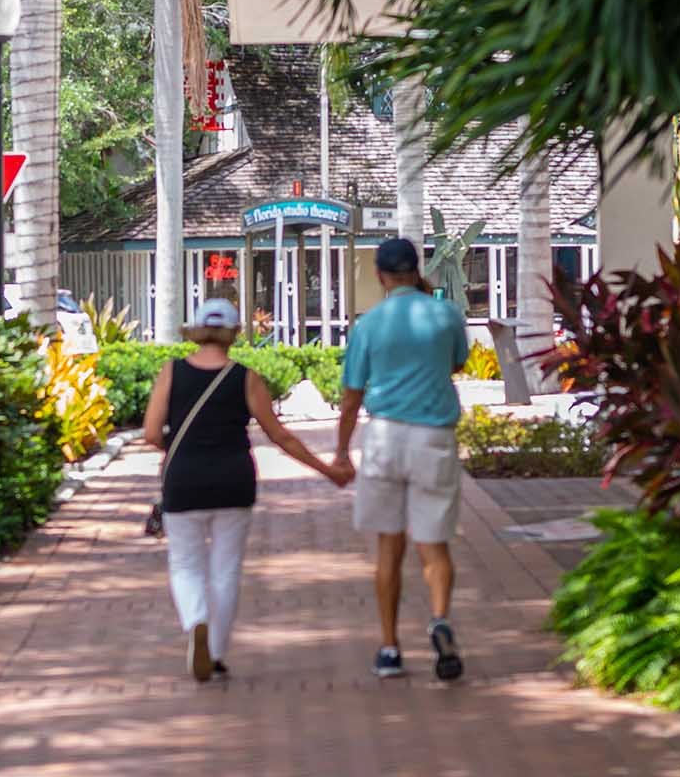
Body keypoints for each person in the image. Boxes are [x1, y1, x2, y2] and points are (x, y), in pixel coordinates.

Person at [141, 299, 350, 681]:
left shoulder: (171, 373)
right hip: (234, 480)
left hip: (184, 480)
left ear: (197, 331)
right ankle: (217, 653)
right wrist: (326, 469)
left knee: (186, 563)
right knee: (226, 568)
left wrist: (180, 447)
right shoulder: (246, 377)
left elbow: (152, 433)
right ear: (234, 334)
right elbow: (279, 436)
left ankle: (196, 620)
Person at [332, 235, 468, 680]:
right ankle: (441, 619)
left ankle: (390, 648)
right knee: (435, 542)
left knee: (389, 546)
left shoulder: (368, 325)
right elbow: (455, 363)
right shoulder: (447, 314)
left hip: (386, 437)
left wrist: (341, 453)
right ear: (417, 269)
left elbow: (352, 397)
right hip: (434, 437)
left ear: (380, 276)